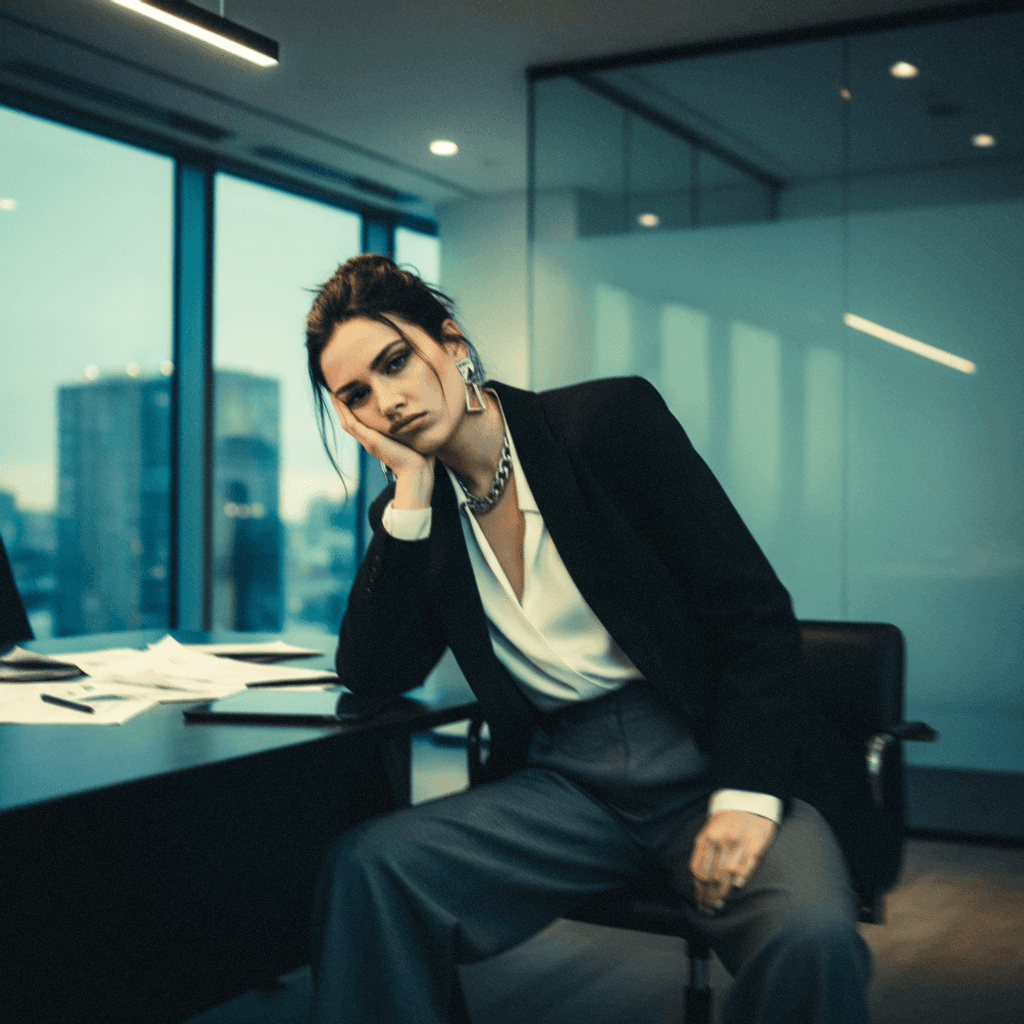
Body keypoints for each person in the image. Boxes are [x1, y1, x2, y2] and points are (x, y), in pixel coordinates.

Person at [304, 255, 897, 1024]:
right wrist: (411, 491)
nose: (389, 401)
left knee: (812, 936)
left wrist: (748, 798)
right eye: (358, 395)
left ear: (450, 343)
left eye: (395, 363)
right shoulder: (416, 515)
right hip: (566, 785)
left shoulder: (605, 424)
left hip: (708, 753)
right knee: (369, 869)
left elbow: (752, 614)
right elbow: (371, 673)